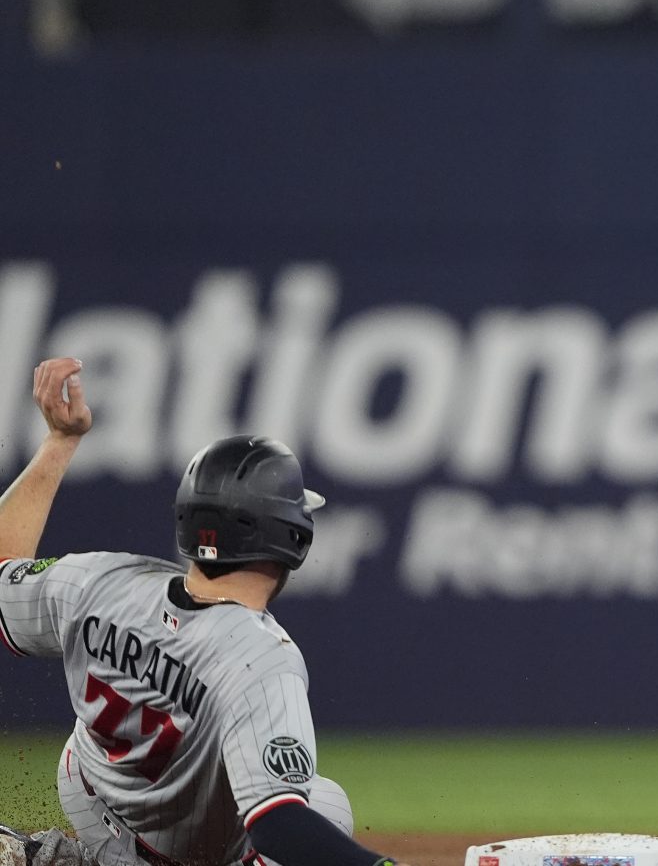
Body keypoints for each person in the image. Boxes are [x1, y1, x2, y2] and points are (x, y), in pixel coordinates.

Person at [0, 357, 414, 866]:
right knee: (323, 810)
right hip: (186, 851)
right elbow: (278, 825)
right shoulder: (260, 661)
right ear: (292, 538)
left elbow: (3, 567)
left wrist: (59, 441)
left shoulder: (97, 580)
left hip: (88, 795)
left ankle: (51, 856)